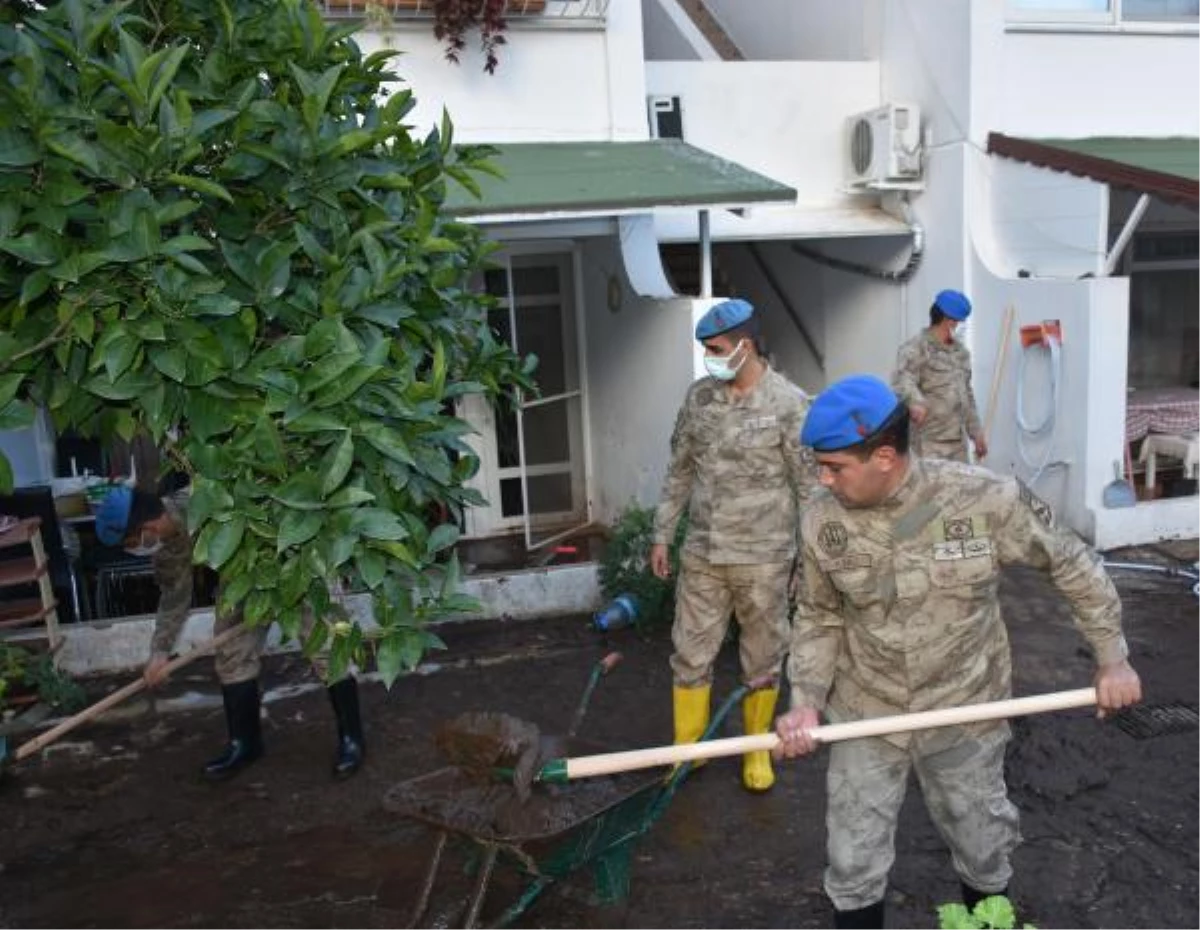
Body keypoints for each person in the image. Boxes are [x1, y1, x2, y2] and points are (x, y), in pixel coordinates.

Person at [773, 375, 1142, 930]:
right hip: (866, 708)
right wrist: (805, 701)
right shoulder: (820, 520)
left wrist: (1112, 657)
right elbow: (820, 615)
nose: (822, 479)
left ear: (885, 457)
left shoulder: (986, 497)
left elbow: (1071, 561)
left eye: (834, 467)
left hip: (965, 705)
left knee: (982, 842)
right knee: (852, 858)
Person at [650, 298, 814, 792]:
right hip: (703, 553)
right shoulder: (699, 398)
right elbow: (679, 471)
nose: (710, 358)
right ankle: (689, 751)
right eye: (705, 349)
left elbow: (810, 488)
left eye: (717, 349)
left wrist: (807, 562)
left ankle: (755, 751)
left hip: (764, 558)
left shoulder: (789, 403)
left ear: (746, 345)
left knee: (763, 656)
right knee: (690, 653)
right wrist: (663, 533)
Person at [95, 485, 365, 781]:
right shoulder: (167, 546)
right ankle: (245, 744)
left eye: (133, 541)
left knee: (325, 647)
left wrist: (281, 581)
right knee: (232, 655)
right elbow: (174, 594)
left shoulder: (207, 498)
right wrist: (160, 652)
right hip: (239, 580)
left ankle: (352, 739)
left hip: (297, 562)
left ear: (148, 525)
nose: (137, 547)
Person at [891, 289, 987, 463]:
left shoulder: (961, 353)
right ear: (948, 320)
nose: (961, 326)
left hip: (957, 444)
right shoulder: (917, 348)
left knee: (960, 488)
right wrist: (916, 403)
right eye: (959, 322)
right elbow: (902, 380)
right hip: (929, 443)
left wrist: (976, 432)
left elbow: (967, 394)